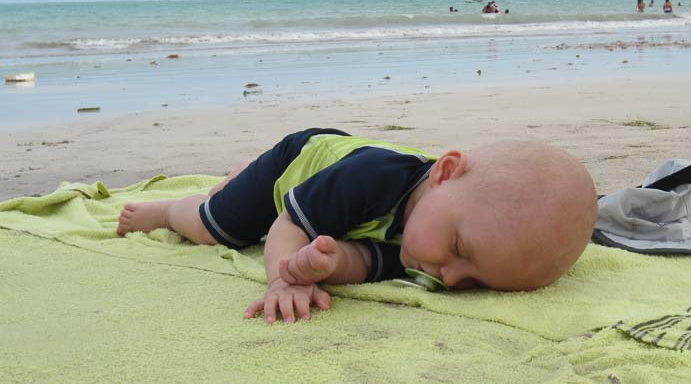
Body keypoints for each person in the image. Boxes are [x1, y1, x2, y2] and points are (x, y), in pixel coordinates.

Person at [116, 128, 598, 323]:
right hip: (300, 164)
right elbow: (287, 226)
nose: (448, 276)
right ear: (445, 173)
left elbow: (361, 260)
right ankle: (170, 208)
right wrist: (285, 275)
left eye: (475, 281)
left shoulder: (433, 243)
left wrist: (324, 266)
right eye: (459, 249)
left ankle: (238, 174)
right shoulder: (369, 181)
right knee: (221, 227)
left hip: (334, 190)